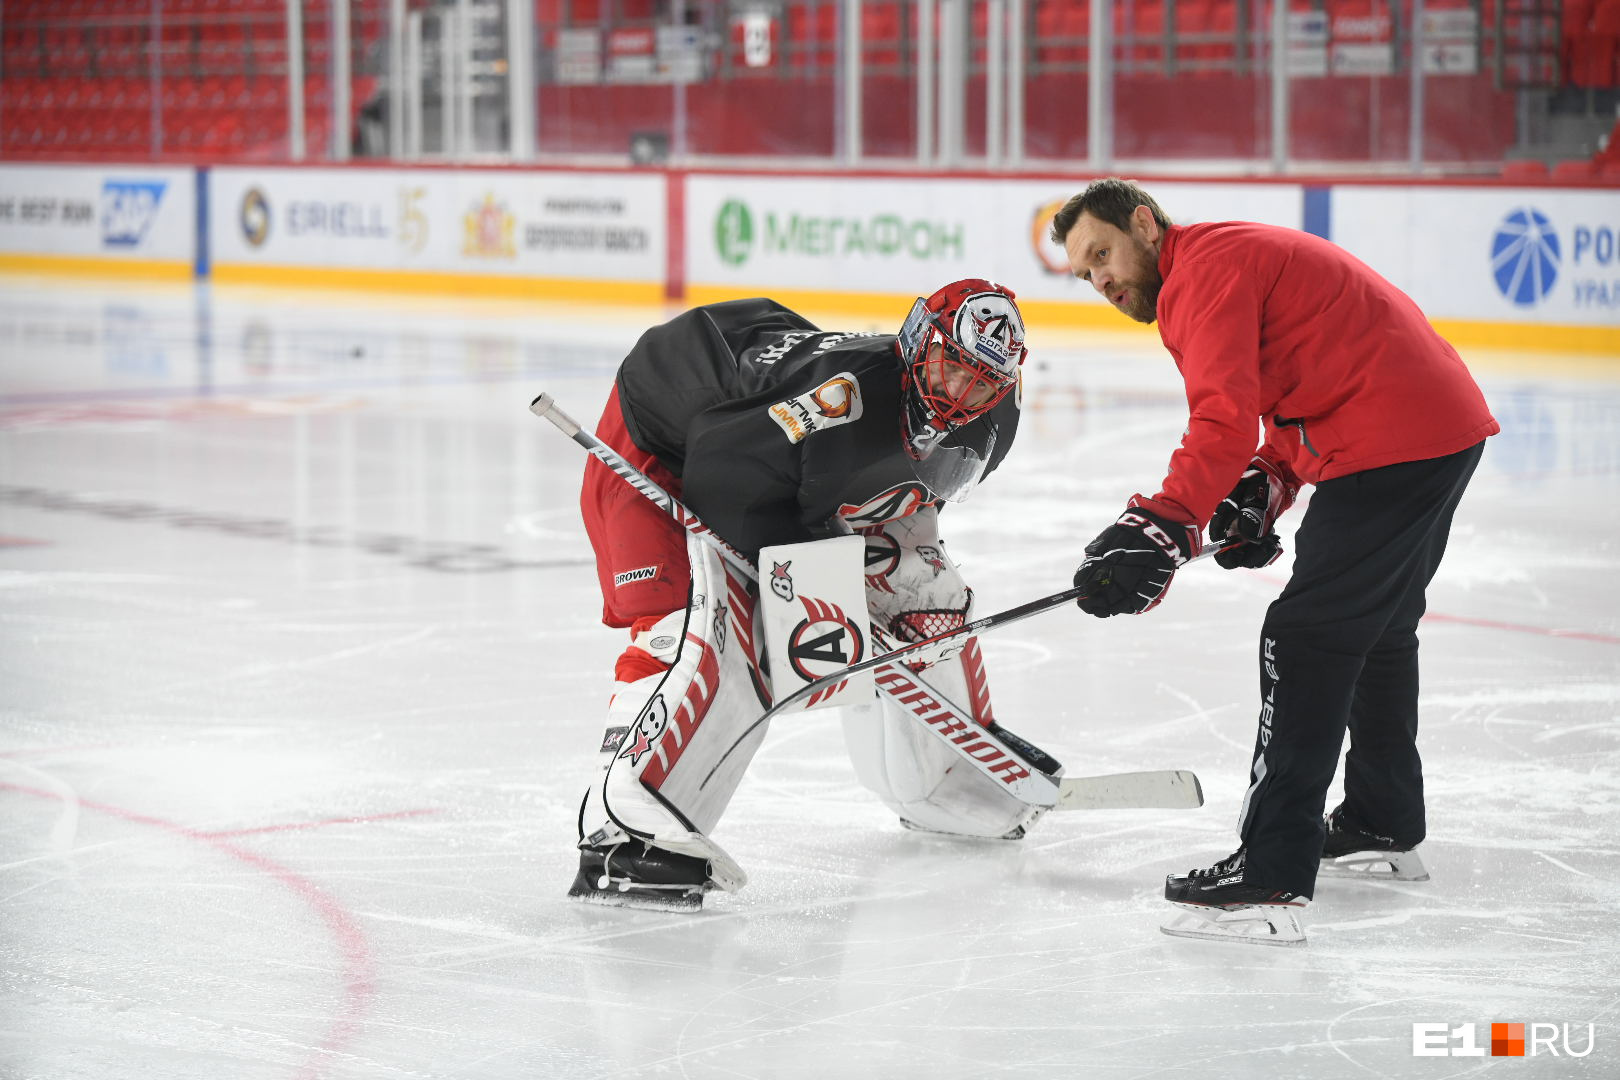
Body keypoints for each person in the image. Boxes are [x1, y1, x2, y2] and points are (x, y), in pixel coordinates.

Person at [1049, 178, 1499, 945]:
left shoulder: (1201, 275)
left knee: (1305, 638)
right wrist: (1271, 480)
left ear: (1146, 224)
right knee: (1378, 631)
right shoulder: (1222, 257)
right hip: (1431, 429)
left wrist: (1163, 523)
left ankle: (1271, 872)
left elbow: (1221, 418)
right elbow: (1307, 373)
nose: (1101, 280)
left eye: (1104, 253)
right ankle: (1383, 820)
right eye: (1085, 273)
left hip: (1393, 441)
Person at [569, 279, 1060, 911]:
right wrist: (815, 575)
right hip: (663, 441)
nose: (959, 394)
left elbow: (904, 494)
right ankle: (626, 835)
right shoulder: (837, 401)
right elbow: (723, 475)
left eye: (981, 382)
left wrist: (887, 599)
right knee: (695, 620)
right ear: (917, 342)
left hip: (768, 443)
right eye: (949, 369)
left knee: (924, 593)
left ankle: (945, 781)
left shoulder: (996, 415)